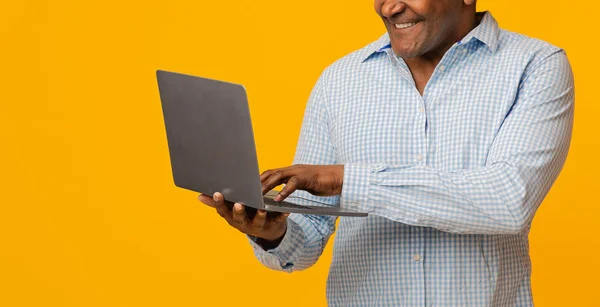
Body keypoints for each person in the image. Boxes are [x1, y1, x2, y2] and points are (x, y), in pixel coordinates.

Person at [198, 0, 574, 306]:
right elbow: (309, 237)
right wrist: (273, 232)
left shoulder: (535, 66)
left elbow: (508, 201)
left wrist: (347, 179)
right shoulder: (340, 80)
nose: (388, 7)